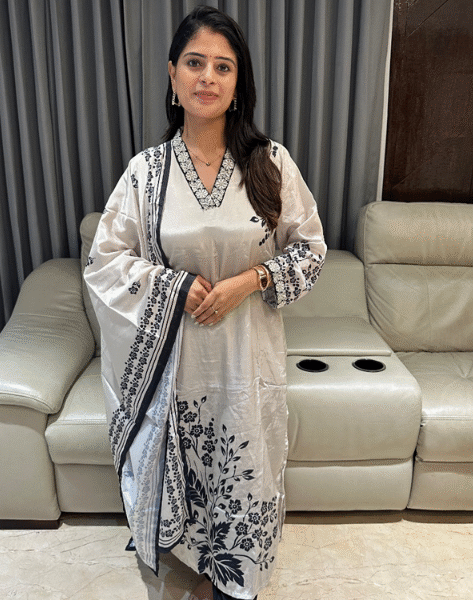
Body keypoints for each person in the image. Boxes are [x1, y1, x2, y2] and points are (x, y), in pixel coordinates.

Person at [84, 6, 326, 600]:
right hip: (179, 370)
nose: (208, 78)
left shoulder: (270, 162)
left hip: (247, 364)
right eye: (195, 63)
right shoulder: (146, 174)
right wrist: (172, 286)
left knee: (246, 474)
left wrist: (251, 280)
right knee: (191, 486)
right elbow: (104, 262)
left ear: (238, 82)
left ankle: (235, 583)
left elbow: (311, 251)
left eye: (223, 66)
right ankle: (196, 572)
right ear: (172, 74)